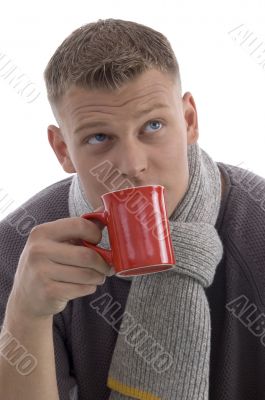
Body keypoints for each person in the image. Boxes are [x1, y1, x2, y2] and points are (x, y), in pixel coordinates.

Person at [0, 18, 265, 400]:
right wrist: (27, 315)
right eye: (99, 137)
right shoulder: (17, 253)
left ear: (189, 120)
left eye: (153, 125)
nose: (131, 163)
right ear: (62, 150)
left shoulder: (257, 227)